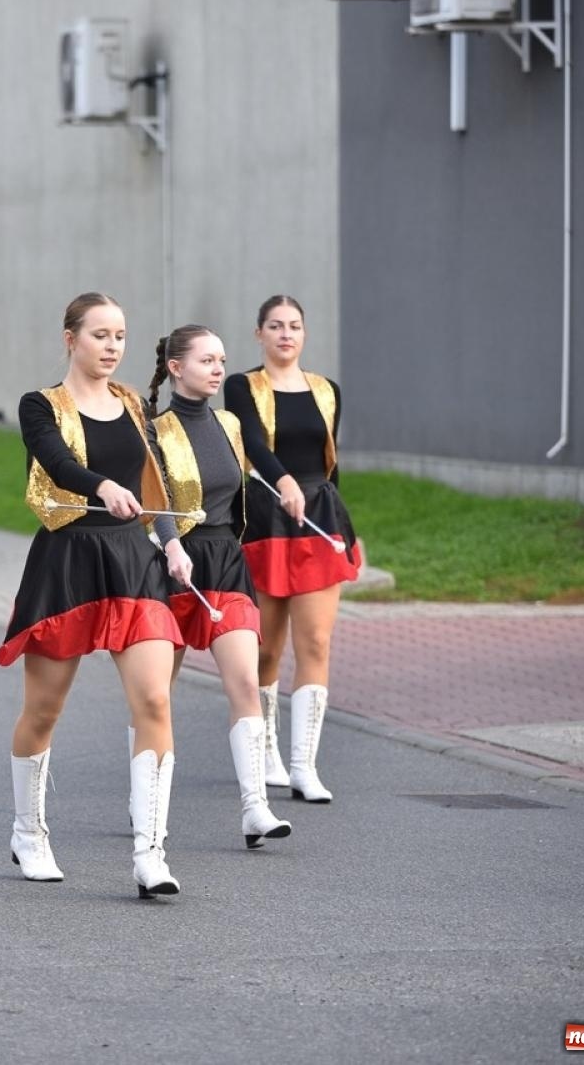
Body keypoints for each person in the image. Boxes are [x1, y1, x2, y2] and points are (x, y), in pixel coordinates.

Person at [0, 292, 183, 899]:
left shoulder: (132, 404)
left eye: (120, 336)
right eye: (100, 335)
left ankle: (151, 852)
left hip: (132, 559)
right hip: (69, 558)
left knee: (154, 699)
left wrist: (171, 540)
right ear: (70, 338)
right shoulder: (39, 405)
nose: (112, 347)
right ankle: (29, 831)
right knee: (44, 710)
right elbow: (56, 462)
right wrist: (100, 484)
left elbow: (154, 478)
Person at [146, 325, 292, 849]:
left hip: (226, 560)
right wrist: (169, 544)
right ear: (177, 367)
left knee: (245, 684)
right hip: (173, 563)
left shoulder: (229, 424)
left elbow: (245, 488)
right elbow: (153, 494)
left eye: (222, 360)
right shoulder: (153, 429)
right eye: (206, 360)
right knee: (156, 697)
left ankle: (255, 807)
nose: (217, 369)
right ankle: (148, 804)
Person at [222, 295, 361, 805]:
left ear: (304, 334)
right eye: (276, 326)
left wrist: (347, 526)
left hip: (319, 517)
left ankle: (305, 765)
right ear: (259, 333)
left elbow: (331, 463)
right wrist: (282, 482)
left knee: (317, 643)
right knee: (265, 648)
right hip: (265, 514)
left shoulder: (327, 390)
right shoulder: (242, 386)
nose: (286, 334)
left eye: (295, 326)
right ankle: (268, 750)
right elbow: (253, 445)